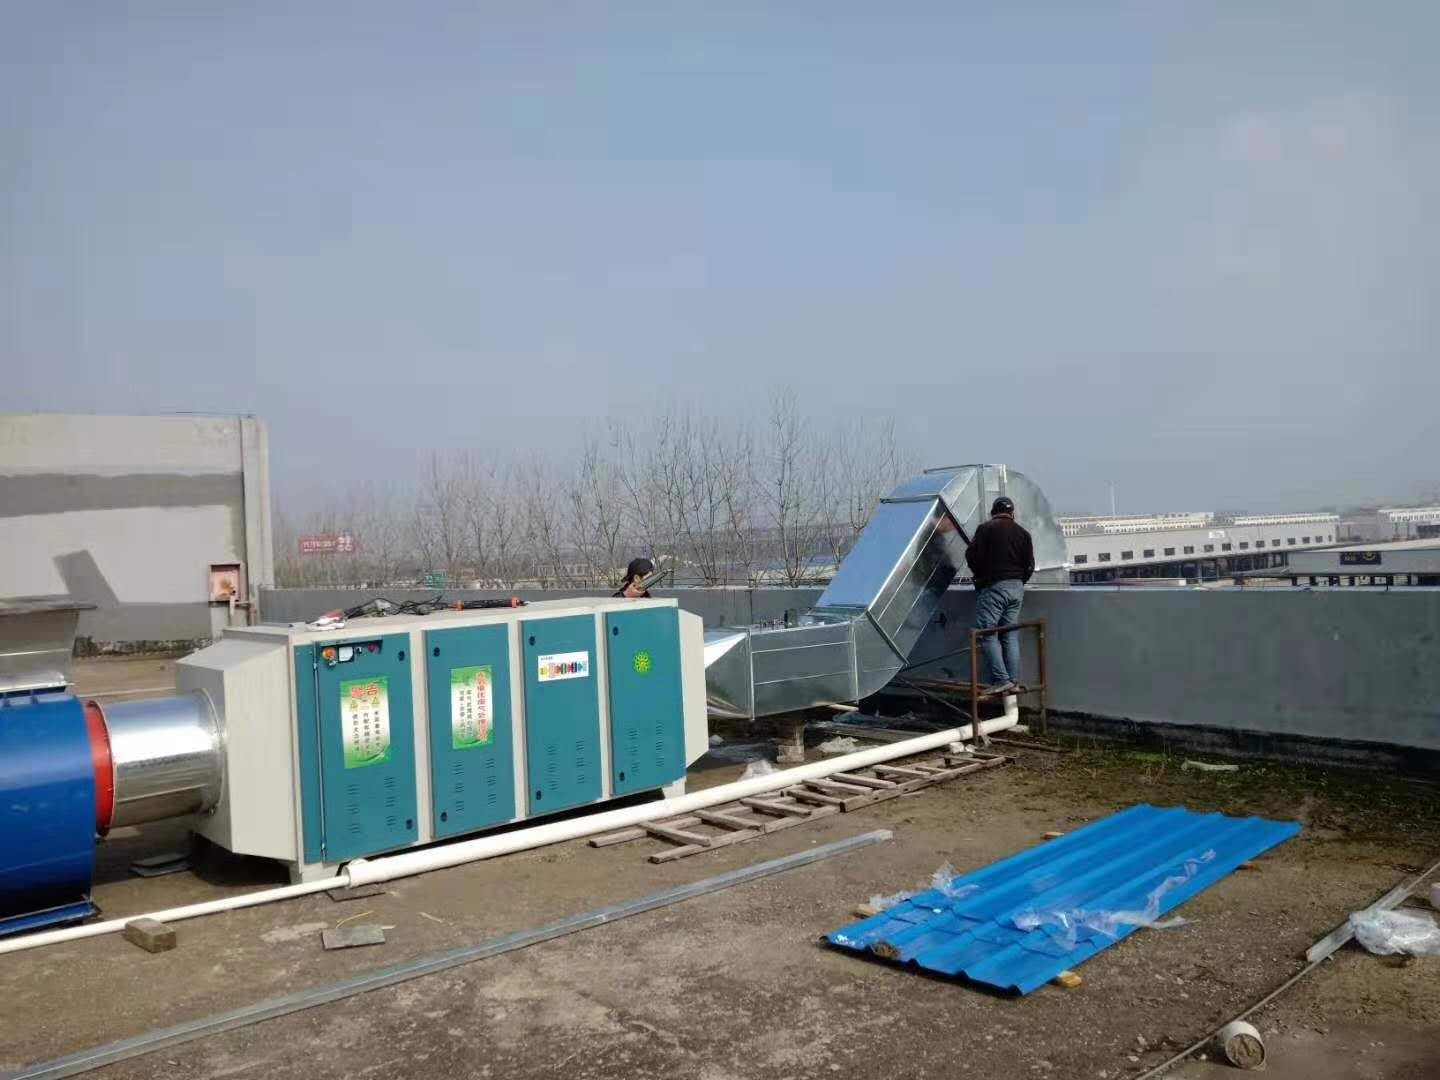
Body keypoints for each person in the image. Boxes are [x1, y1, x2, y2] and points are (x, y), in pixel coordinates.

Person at [964, 496, 1035, 693]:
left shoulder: (985, 529)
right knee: (1010, 634)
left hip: (994, 587)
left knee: (987, 633)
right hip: (1017, 588)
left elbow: (972, 557)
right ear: (1012, 513)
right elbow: (1030, 565)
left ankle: (1001, 680)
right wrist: (1018, 581)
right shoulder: (1023, 533)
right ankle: (1012, 681)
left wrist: (981, 577)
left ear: (993, 512)